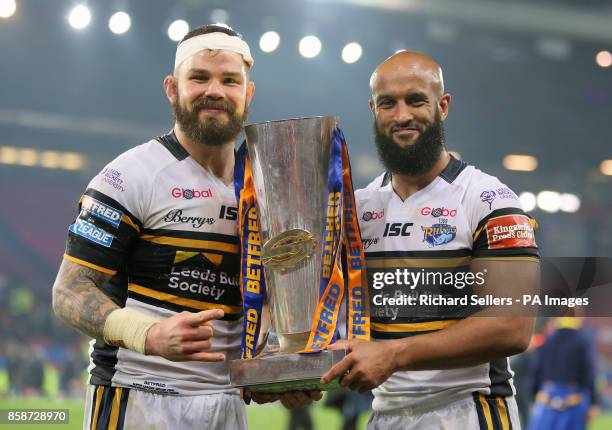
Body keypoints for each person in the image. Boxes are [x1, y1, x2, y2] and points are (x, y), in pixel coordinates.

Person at [52, 24, 317, 430]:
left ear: (248, 94)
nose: (215, 90)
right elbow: (69, 292)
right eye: (199, 77)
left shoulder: (268, 189)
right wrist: (149, 335)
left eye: (230, 80)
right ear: (172, 88)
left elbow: (263, 306)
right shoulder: (129, 176)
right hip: (138, 396)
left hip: (228, 405)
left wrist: (272, 374)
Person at [322, 51, 540, 429]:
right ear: (373, 109)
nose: (402, 115)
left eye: (416, 100)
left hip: (469, 412)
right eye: (388, 103)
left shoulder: (489, 199)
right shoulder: (357, 209)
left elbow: (512, 327)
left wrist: (395, 354)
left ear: (443, 106)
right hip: (385, 415)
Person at [527, 317, 598, 430]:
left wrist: (532, 397)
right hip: (574, 399)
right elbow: (589, 373)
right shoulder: (583, 341)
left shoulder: (548, 341)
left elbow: (536, 371)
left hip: (547, 398)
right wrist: (593, 402)